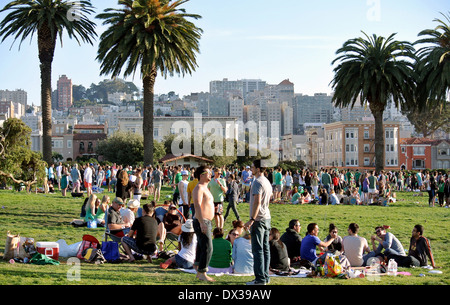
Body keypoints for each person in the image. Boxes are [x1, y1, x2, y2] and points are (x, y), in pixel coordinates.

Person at [244, 159, 272, 285]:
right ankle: (265, 277)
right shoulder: (266, 181)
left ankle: (260, 279)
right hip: (266, 217)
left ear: (259, 169)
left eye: (253, 167)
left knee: (258, 250)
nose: (251, 169)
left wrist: (252, 219)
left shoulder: (257, 182)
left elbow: (257, 202)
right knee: (265, 249)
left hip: (259, 219)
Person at [192, 165, 215, 282]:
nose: (210, 174)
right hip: (202, 221)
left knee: (202, 246)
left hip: (206, 221)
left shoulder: (206, 187)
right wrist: (201, 223)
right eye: (208, 173)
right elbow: (197, 205)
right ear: (201, 175)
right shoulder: (199, 188)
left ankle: (198, 267)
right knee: (208, 247)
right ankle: (202, 272)